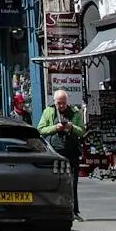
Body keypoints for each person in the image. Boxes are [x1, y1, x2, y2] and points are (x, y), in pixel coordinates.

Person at [36, 89, 85, 218]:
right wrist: (54, 128)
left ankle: (74, 211)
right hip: (54, 153)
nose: (61, 106)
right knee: (53, 181)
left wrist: (71, 127)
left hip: (71, 152)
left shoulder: (75, 112)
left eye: (63, 103)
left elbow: (82, 131)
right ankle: (53, 209)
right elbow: (40, 129)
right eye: (59, 103)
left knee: (72, 182)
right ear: (54, 102)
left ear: (67, 102)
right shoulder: (48, 112)